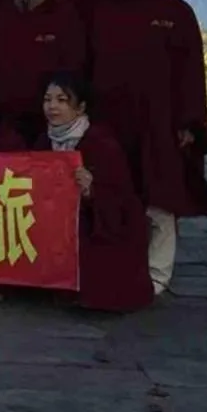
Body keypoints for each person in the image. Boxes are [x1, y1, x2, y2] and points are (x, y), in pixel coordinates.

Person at [90, 0, 207, 294]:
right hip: (111, 119)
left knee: (161, 198)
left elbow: (191, 73)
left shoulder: (175, 12)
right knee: (116, 192)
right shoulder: (103, 8)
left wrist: (190, 123)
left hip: (161, 120)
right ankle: (120, 267)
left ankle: (157, 275)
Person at [37, 73, 154, 312]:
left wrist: (92, 188)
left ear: (80, 107)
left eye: (61, 100)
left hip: (101, 221)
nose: (52, 107)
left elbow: (122, 197)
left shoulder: (100, 142)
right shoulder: (43, 140)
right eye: (48, 99)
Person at [0, 0, 86, 142]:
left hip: (47, 112)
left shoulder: (64, 12)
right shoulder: (4, 10)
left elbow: (74, 61)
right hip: (6, 110)